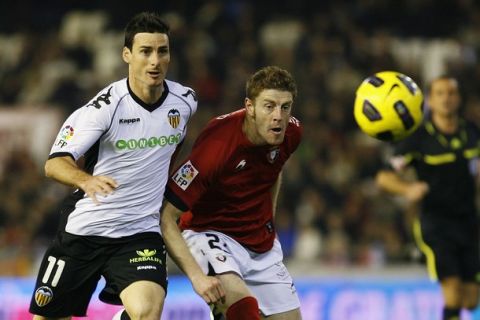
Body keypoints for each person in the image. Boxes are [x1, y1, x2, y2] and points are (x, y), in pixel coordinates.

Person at [29, 12, 198, 320]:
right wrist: (86, 180)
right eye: (145, 51)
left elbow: (171, 149)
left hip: (139, 232)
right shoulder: (103, 108)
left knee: (147, 311)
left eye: (162, 51)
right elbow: (54, 164)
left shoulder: (185, 102)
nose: (155, 61)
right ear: (127, 55)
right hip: (85, 230)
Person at [161, 66, 303, 320]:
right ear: (249, 107)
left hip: (260, 243)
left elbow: (273, 170)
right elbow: (167, 218)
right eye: (269, 106)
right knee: (243, 310)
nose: (278, 117)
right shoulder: (217, 147)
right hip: (210, 234)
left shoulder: (291, 133)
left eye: (285, 107)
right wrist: (196, 276)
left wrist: (268, 217)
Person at [376, 75, 480, 320]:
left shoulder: (472, 132)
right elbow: (384, 177)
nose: (446, 99)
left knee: (471, 300)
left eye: (451, 93)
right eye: (440, 94)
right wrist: (407, 189)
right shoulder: (419, 138)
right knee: (452, 292)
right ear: (430, 101)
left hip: (469, 224)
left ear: (459, 99)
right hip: (436, 225)